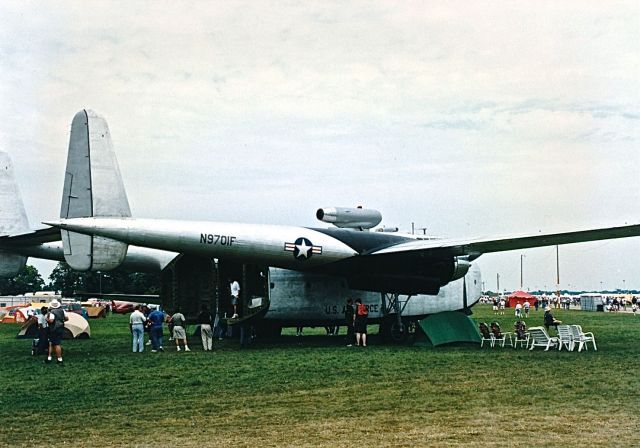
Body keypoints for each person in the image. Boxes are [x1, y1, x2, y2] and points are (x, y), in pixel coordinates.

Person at [46, 299, 68, 364]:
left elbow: (51, 321)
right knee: (53, 342)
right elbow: (67, 318)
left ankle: (59, 358)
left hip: (54, 329)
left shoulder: (52, 312)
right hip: (61, 327)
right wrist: (61, 321)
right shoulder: (62, 311)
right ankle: (51, 357)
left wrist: (47, 319)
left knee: (56, 344)